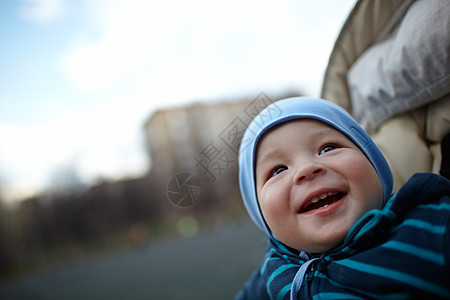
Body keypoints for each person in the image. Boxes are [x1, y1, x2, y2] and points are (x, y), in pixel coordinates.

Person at [236, 97, 450, 299]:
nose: (307, 168)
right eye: (278, 169)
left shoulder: (430, 227)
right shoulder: (272, 270)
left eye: (327, 148)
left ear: (373, 163)